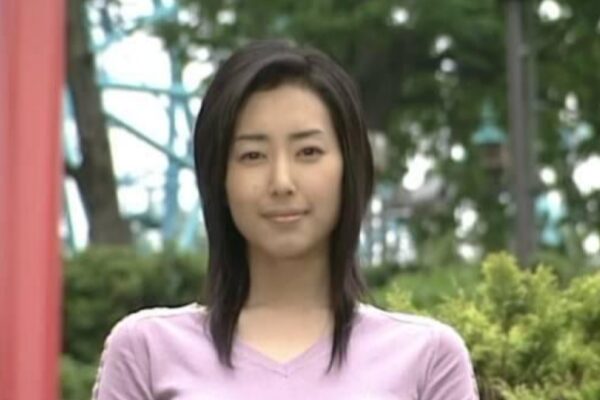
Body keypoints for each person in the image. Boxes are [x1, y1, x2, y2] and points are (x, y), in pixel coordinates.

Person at [92, 39, 479, 399]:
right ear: (219, 178)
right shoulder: (147, 351)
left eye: (308, 152)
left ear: (350, 169)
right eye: (252, 155)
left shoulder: (427, 359)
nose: (281, 182)